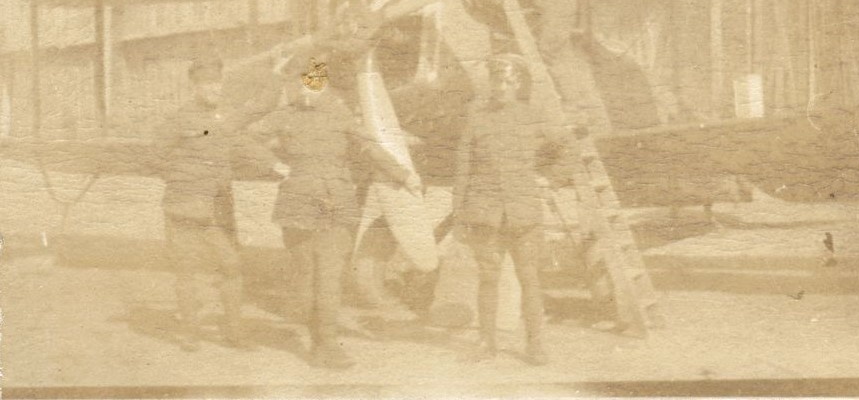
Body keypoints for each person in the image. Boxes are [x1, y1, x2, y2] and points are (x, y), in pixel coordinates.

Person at [255, 54, 420, 369]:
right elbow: (244, 138)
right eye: (303, 82)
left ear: (324, 84)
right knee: (308, 279)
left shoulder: (340, 115)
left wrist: (404, 175)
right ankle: (315, 336)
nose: (308, 89)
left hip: (337, 206)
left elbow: (369, 147)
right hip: (299, 206)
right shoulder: (284, 116)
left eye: (315, 82)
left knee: (329, 278)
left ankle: (326, 345)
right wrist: (273, 164)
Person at [454, 53, 564, 366]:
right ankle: (486, 342)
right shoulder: (476, 118)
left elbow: (566, 147)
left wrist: (551, 179)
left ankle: (535, 345)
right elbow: (462, 168)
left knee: (529, 279)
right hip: (485, 213)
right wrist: (460, 214)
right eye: (497, 80)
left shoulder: (534, 115)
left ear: (518, 85)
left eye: (508, 81)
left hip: (523, 214)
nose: (502, 87)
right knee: (488, 279)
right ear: (490, 83)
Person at [156, 55, 248, 352]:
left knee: (231, 266)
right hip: (185, 205)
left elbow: (243, 146)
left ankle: (234, 334)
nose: (215, 88)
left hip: (218, 208)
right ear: (195, 86)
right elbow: (157, 156)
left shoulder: (227, 117)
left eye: (218, 82)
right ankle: (190, 333)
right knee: (186, 270)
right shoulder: (179, 118)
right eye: (208, 83)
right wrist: (187, 178)